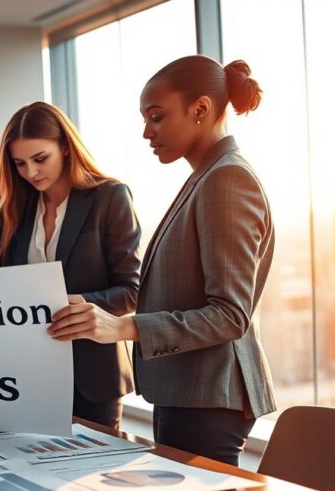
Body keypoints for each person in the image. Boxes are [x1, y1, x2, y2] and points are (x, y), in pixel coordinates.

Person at [49, 55, 275, 465]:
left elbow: (229, 314)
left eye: (156, 117)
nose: (146, 132)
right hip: (191, 392)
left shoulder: (227, 178)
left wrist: (121, 325)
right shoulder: (207, 176)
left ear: (201, 110)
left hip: (207, 395)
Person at [0, 101, 141, 430]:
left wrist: (81, 306)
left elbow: (133, 289)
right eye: (19, 163)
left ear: (64, 145)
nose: (30, 172)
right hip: (29, 376)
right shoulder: (16, 208)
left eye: (39, 159)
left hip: (92, 375)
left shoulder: (109, 197)